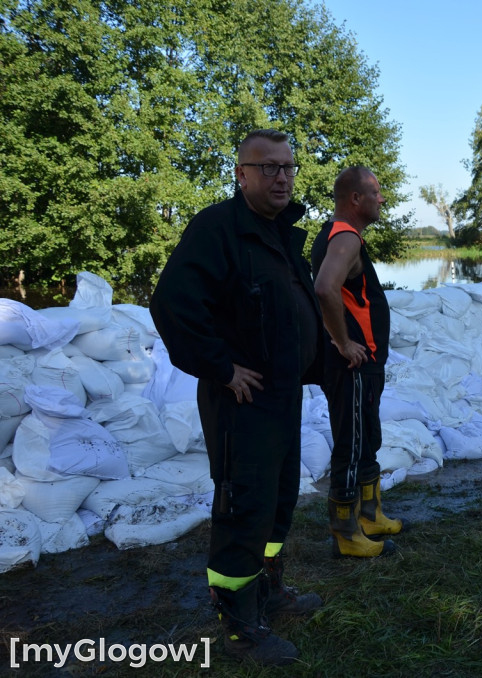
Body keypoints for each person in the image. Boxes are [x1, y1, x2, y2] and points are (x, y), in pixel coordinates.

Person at [150, 129, 324, 666]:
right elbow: (172, 303)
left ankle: (268, 592)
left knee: (278, 501)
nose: (281, 177)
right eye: (267, 167)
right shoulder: (219, 229)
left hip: (280, 397)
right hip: (241, 403)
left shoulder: (278, 232)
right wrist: (221, 368)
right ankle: (239, 626)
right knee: (243, 506)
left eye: (288, 167)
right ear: (241, 174)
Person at [312, 166, 402, 558]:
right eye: (376, 192)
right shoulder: (345, 237)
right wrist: (343, 341)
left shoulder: (342, 236)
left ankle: (369, 514)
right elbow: (324, 288)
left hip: (364, 365)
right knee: (350, 445)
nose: (382, 199)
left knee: (367, 439)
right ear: (356, 199)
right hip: (352, 366)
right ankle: (346, 532)